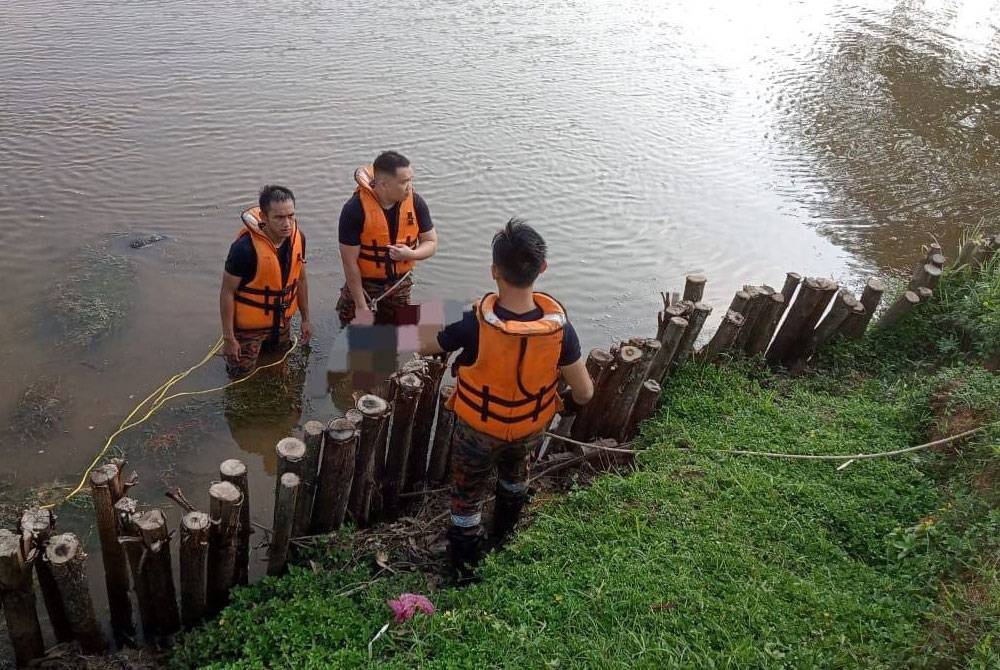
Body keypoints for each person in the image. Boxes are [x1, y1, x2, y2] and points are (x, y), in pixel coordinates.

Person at [420, 219, 593, 581]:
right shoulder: (560, 329)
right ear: (542, 268)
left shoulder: (474, 322)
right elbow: (585, 392)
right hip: (529, 428)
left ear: (494, 270)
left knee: (466, 498)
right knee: (515, 479)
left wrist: (455, 315)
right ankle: (504, 538)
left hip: (477, 431)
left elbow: (425, 344)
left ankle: (464, 567)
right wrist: (567, 407)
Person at [220, 185, 312, 378]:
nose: (287, 223)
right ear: (263, 217)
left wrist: (305, 319)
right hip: (249, 329)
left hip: (281, 322)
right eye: (279, 217)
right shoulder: (244, 249)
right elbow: (227, 292)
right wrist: (228, 338)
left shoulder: (298, 239)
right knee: (240, 375)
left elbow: (301, 280)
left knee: (278, 367)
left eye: (290, 215)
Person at [337, 151, 437, 324]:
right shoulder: (354, 210)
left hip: (399, 283)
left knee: (401, 334)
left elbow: (431, 242)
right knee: (352, 330)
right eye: (404, 182)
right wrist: (361, 305)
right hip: (364, 284)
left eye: (411, 179)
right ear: (383, 185)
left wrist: (410, 254)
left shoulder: (416, 203)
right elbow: (349, 262)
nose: (410, 186)